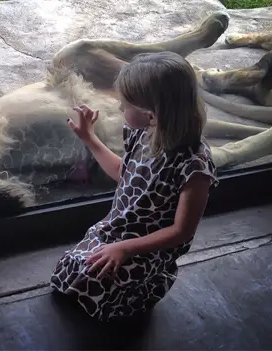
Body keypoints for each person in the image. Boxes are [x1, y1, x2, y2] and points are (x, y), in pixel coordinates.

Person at [50, 51, 219, 321]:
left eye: (124, 105)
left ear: (151, 116)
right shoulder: (141, 134)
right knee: (72, 269)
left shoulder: (194, 167)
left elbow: (181, 231)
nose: (119, 109)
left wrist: (126, 248)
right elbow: (122, 173)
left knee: (97, 287)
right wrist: (89, 138)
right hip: (117, 229)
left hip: (148, 249)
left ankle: (144, 290)